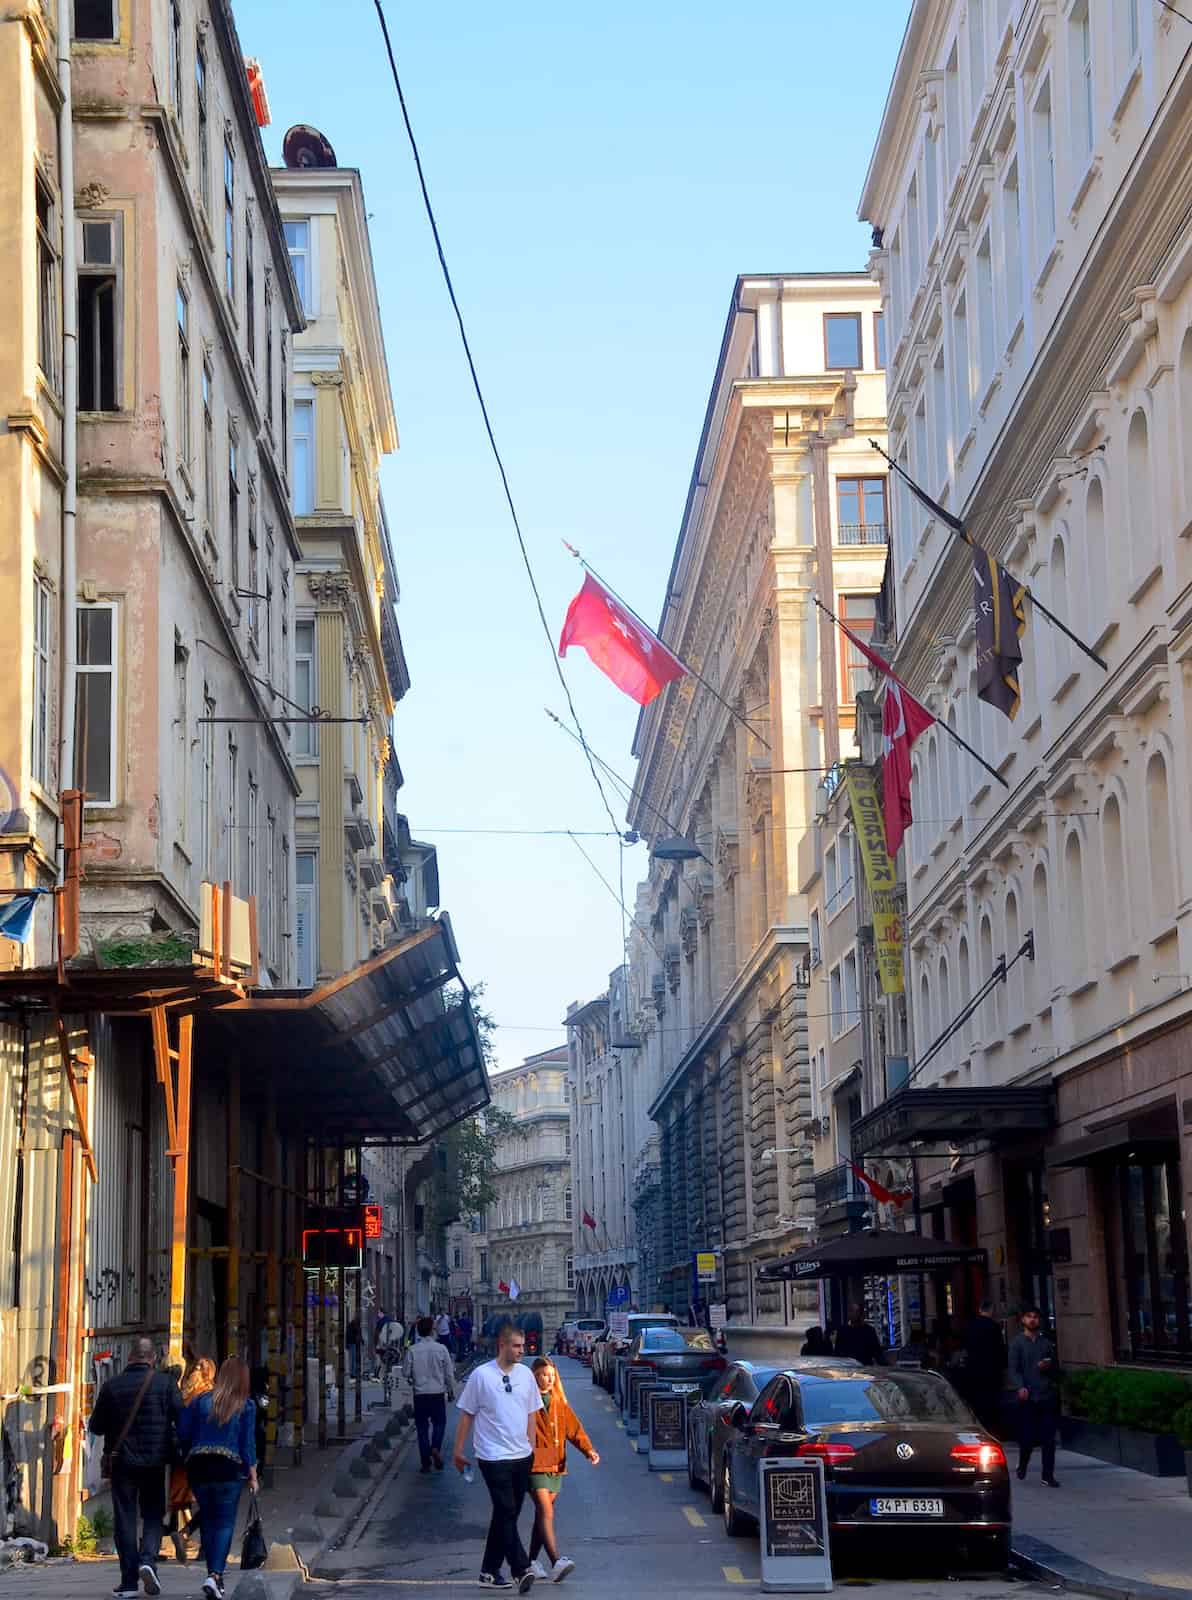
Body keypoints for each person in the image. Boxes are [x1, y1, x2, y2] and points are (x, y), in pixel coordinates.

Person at [88, 1335, 182, 1599]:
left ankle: (129, 1582)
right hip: (155, 1461)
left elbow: (95, 1426)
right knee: (153, 1514)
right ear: (153, 1358)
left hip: (122, 1463)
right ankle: (147, 1561)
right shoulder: (166, 1384)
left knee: (125, 1519)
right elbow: (181, 1417)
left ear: (130, 1357)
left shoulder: (112, 1386)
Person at [453, 1321, 543, 1593]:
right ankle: (521, 1568)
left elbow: (532, 1413)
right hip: (492, 1457)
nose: (522, 1350)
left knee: (507, 1515)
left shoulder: (526, 1375)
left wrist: (532, 1447)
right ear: (502, 1346)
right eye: (516, 1346)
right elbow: (467, 1414)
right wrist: (458, 1450)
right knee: (505, 1510)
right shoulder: (481, 1376)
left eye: (523, 1345)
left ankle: (489, 1571)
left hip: (521, 1455)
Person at [178, 1356, 259, 1599]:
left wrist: (189, 1454)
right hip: (228, 1468)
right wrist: (253, 1475)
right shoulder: (246, 1406)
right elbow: (247, 1445)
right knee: (223, 1523)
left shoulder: (201, 1400)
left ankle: (215, 1576)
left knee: (210, 1519)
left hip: (199, 1466)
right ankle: (214, 1575)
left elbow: (183, 1432)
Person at [526, 1357, 599, 1583]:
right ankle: (556, 1560)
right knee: (546, 1512)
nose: (548, 1379)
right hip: (533, 1464)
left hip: (556, 1464)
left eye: (551, 1375)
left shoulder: (559, 1402)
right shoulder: (526, 1401)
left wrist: (589, 1450)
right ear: (534, 1376)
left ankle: (529, 1562)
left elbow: (574, 1430)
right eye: (543, 1375)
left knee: (542, 1516)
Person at [167, 1354, 216, 1563]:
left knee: (183, 1501)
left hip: (184, 1457)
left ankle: (181, 1533)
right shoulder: (209, 1396)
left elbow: (182, 1427)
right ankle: (197, 1542)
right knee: (210, 1503)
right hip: (204, 1456)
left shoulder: (185, 1393)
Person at [1009, 1305, 1061, 1487]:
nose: (1032, 1320)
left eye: (1035, 1317)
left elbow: (1056, 1368)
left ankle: (1048, 1475)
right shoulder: (1017, 1343)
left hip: (1046, 1395)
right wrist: (1020, 1387)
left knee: (1049, 1438)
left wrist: (1049, 1366)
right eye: (1029, 1317)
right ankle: (1022, 1465)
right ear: (1023, 1320)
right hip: (1028, 1397)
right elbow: (1013, 1369)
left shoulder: (1046, 1343)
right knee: (1028, 1438)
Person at [404, 1316, 456, 1473]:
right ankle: (435, 1447)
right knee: (439, 1423)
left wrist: (413, 1377)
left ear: (419, 1332)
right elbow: (448, 1373)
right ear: (433, 1331)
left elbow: (406, 1372)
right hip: (437, 1393)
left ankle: (425, 1462)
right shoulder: (441, 1349)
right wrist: (450, 1390)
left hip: (420, 1394)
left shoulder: (412, 1350)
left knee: (421, 1427)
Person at [964, 1299, 1008, 1435]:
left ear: (980, 1309)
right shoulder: (994, 1327)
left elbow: (966, 1346)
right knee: (992, 1402)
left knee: (977, 1401)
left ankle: (979, 1428)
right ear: (991, 1311)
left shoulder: (971, 1326)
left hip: (974, 1370)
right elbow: (1000, 1349)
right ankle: (992, 1429)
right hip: (991, 1370)